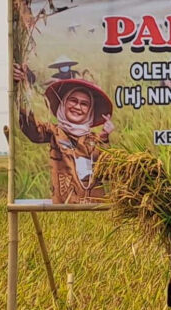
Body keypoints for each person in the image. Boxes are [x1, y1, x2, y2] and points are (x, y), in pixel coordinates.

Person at [13, 63, 114, 204]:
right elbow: (33, 130)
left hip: (94, 211)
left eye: (84, 104)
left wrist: (104, 137)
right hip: (64, 208)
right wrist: (22, 89)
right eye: (73, 101)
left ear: (90, 111)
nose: (77, 107)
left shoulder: (96, 140)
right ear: (63, 104)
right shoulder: (55, 132)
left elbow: (108, 170)